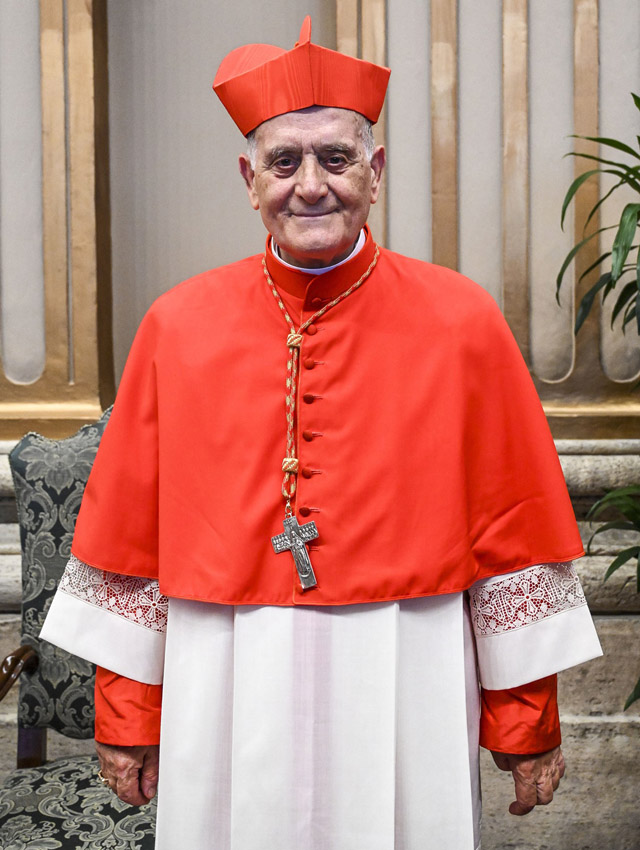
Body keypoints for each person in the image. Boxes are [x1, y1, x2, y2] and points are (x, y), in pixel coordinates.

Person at [41, 17, 602, 850]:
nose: (311, 186)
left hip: (409, 664)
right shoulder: (177, 327)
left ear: (376, 173)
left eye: (336, 159)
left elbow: (513, 534)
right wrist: (129, 716)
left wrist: (525, 724)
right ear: (249, 179)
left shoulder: (462, 323)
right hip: (223, 668)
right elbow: (130, 543)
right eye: (284, 162)